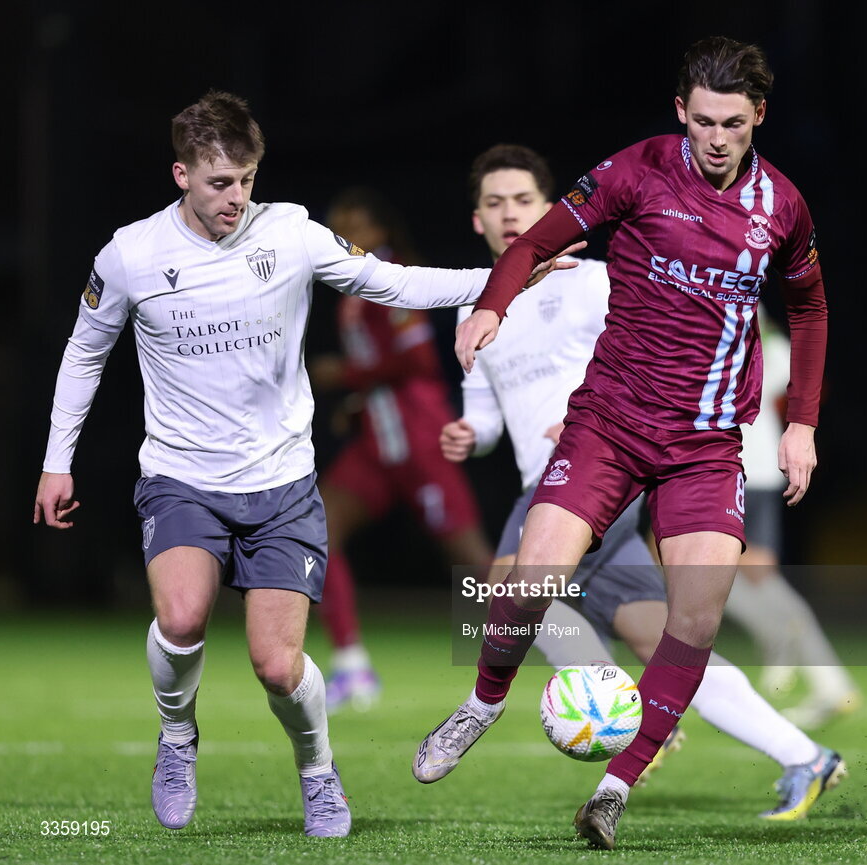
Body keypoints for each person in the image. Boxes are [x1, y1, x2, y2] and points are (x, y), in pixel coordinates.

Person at [31, 90, 574, 839]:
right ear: (181, 173)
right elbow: (85, 350)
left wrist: (503, 281)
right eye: (221, 182)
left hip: (282, 483)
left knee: (277, 667)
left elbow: (398, 283)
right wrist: (57, 461)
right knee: (182, 616)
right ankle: (178, 737)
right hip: (182, 476)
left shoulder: (289, 233)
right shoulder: (130, 254)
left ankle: (317, 767)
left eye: (248, 179)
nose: (237, 197)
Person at [413, 37, 829, 850]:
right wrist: (492, 305)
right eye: (704, 121)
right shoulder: (635, 170)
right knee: (530, 582)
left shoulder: (782, 207)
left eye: (734, 125)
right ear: (681, 111)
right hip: (607, 423)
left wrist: (804, 421)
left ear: (759, 119)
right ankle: (483, 703)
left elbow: (810, 309)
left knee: (696, 621)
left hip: (705, 444)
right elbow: (534, 241)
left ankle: (612, 788)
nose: (717, 139)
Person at [311, 188, 493, 712]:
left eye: (353, 227)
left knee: (473, 560)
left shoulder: (392, 278)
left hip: (418, 440)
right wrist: (358, 401)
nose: (341, 237)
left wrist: (345, 375)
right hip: (377, 444)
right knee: (319, 529)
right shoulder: (352, 287)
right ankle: (351, 666)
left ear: (380, 233)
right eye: (335, 227)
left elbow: (416, 361)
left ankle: (574, 646)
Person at [724, 305, 861, 726]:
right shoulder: (776, 346)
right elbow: (810, 385)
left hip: (731, 466)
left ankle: (793, 648)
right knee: (735, 574)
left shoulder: (717, 342)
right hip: (759, 466)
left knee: (704, 568)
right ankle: (824, 677)